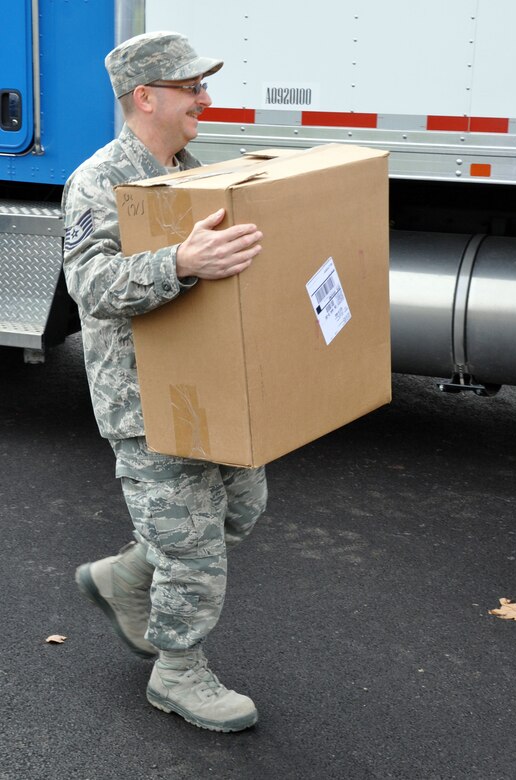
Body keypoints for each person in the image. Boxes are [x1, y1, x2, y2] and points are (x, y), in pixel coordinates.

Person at [62, 30, 268, 733]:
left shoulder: (190, 171)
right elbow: (90, 284)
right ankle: (177, 671)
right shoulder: (98, 180)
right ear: (145, 97)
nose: (204, 100)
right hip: (144, 398)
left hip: (208, 385)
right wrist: (180, 261)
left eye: (202, 86)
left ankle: (124, 576)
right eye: (190, 89)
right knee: (191, 548)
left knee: (242, 507)